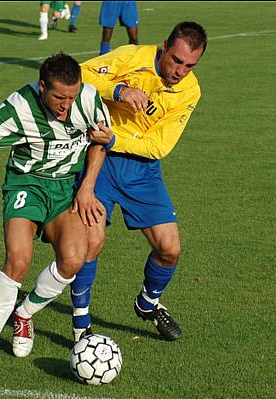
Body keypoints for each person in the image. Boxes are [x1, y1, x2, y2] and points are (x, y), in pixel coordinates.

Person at [0, 53, 110, 368]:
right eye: (59, 97)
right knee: (18, 260)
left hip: (64, 189)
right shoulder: (19, 108)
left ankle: (24, 313)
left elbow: (101, 142)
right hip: (26, 185)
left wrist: (87, 186)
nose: (66, 105)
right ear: (42, 86)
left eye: (71, 97)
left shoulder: (88, 99)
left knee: (74, 259)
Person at [70, 22, 208, 342]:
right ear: (164, 46)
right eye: (176, 60)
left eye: (189, 66)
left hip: (142, 171)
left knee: (170, 249)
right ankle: (81, 324)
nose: (180, 71)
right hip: (100, 160)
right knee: (91, 243)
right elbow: (78, 74)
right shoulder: (132, 56)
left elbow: (159, 146)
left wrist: (116, 137)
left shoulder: (190, 91)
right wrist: (118, 90)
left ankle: (148, 303)